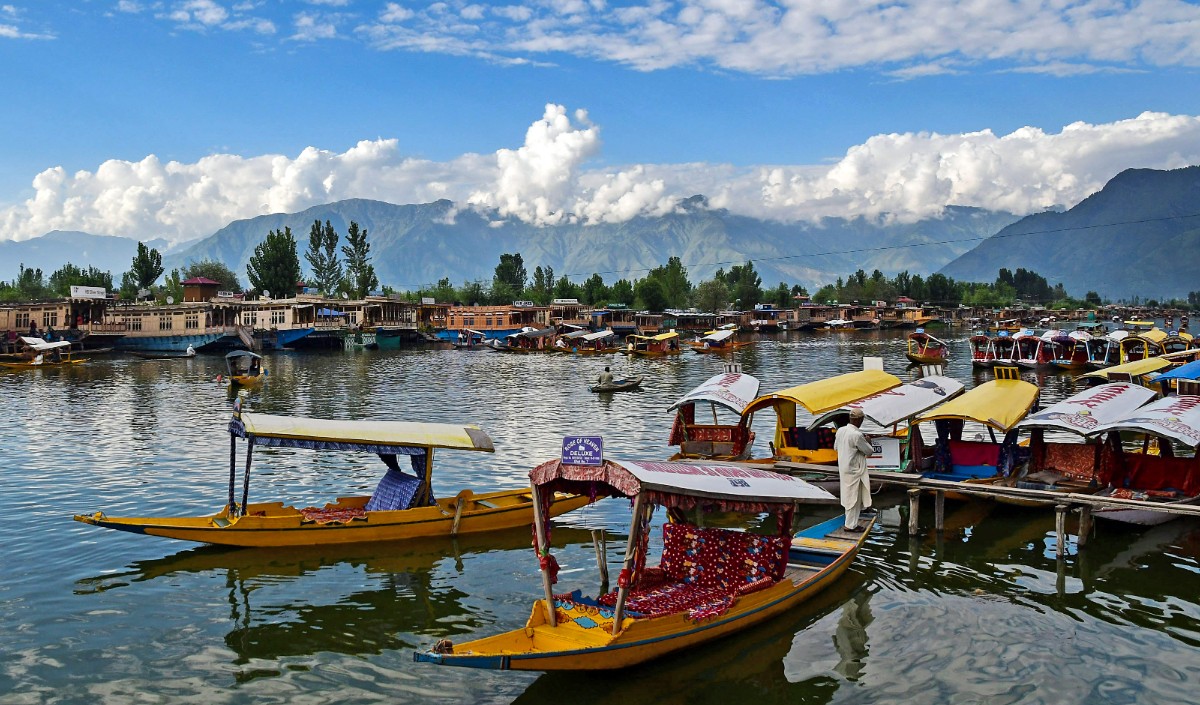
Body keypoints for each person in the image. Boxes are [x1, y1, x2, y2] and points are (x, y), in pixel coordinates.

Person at [835, 408, 875, 532]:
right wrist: (868, 441)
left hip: (843, 467)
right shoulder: (857, 435)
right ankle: (850, 525)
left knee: (848, 495)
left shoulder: (840, 431)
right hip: (854, 469)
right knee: (854, 497)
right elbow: (869, 451)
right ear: (860, 420)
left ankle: (851, 521)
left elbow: (836, 447)